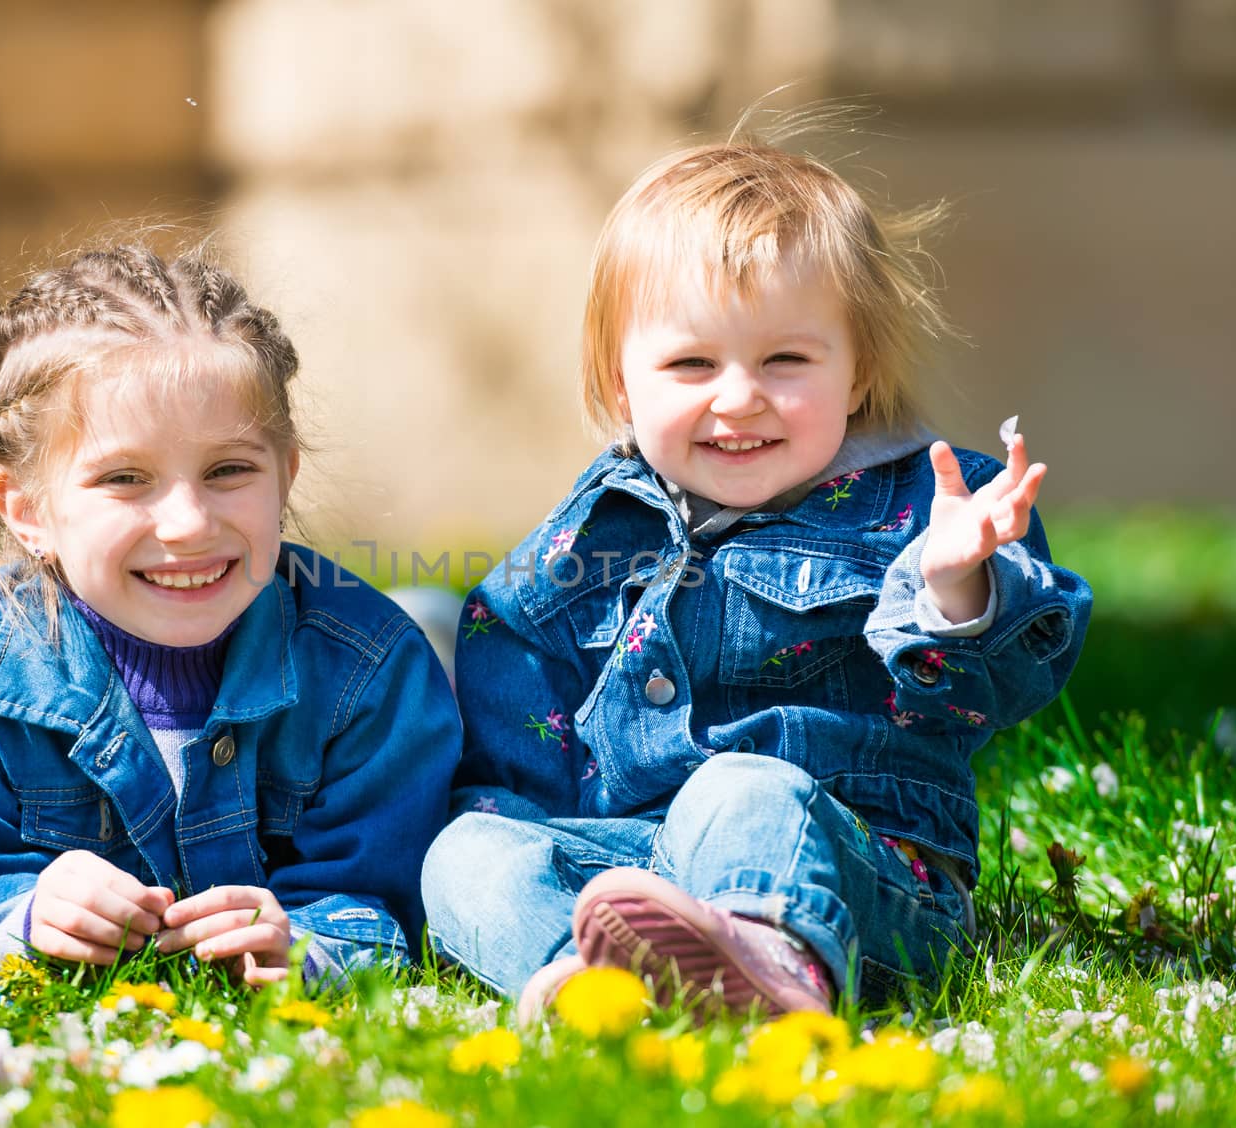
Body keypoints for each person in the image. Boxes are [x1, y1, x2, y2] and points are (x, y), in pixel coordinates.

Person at [422, 124, 1093, 1020]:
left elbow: (1001, 684)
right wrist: (522, 831)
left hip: (852, 872)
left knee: (741, 787)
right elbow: (517, 676)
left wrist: (952, 586)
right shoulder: (596, 527)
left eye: (785, 360)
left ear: (857, 374)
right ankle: (591, 982)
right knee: (463, 853)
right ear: (623, 387)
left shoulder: (925, 508)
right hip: (636, 863)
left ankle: (769, 971)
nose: (737, 396)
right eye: (691, 363)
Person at [0, 243, 461, 984]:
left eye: (229, 471)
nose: (186, 522)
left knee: (427, 667)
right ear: (27, 512)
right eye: (125, 478)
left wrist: (309, 947)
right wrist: (22, 921)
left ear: (285, 477)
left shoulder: (367, 671)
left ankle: (445, 644)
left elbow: (388, 906)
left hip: (402, 675)